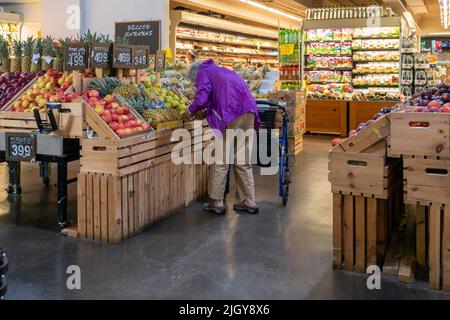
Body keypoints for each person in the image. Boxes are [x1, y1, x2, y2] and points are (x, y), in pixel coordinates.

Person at [186, 59, 261, 215]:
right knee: (242, 159)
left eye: (194, 82)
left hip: (230, 113)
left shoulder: (203, 72)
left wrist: (189, 110)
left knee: (221, 159)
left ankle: (217, 201)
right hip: (249, 112)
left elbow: (201, 98)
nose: (195, 83)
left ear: (194, 73)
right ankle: (249, 200)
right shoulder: (224, 71)